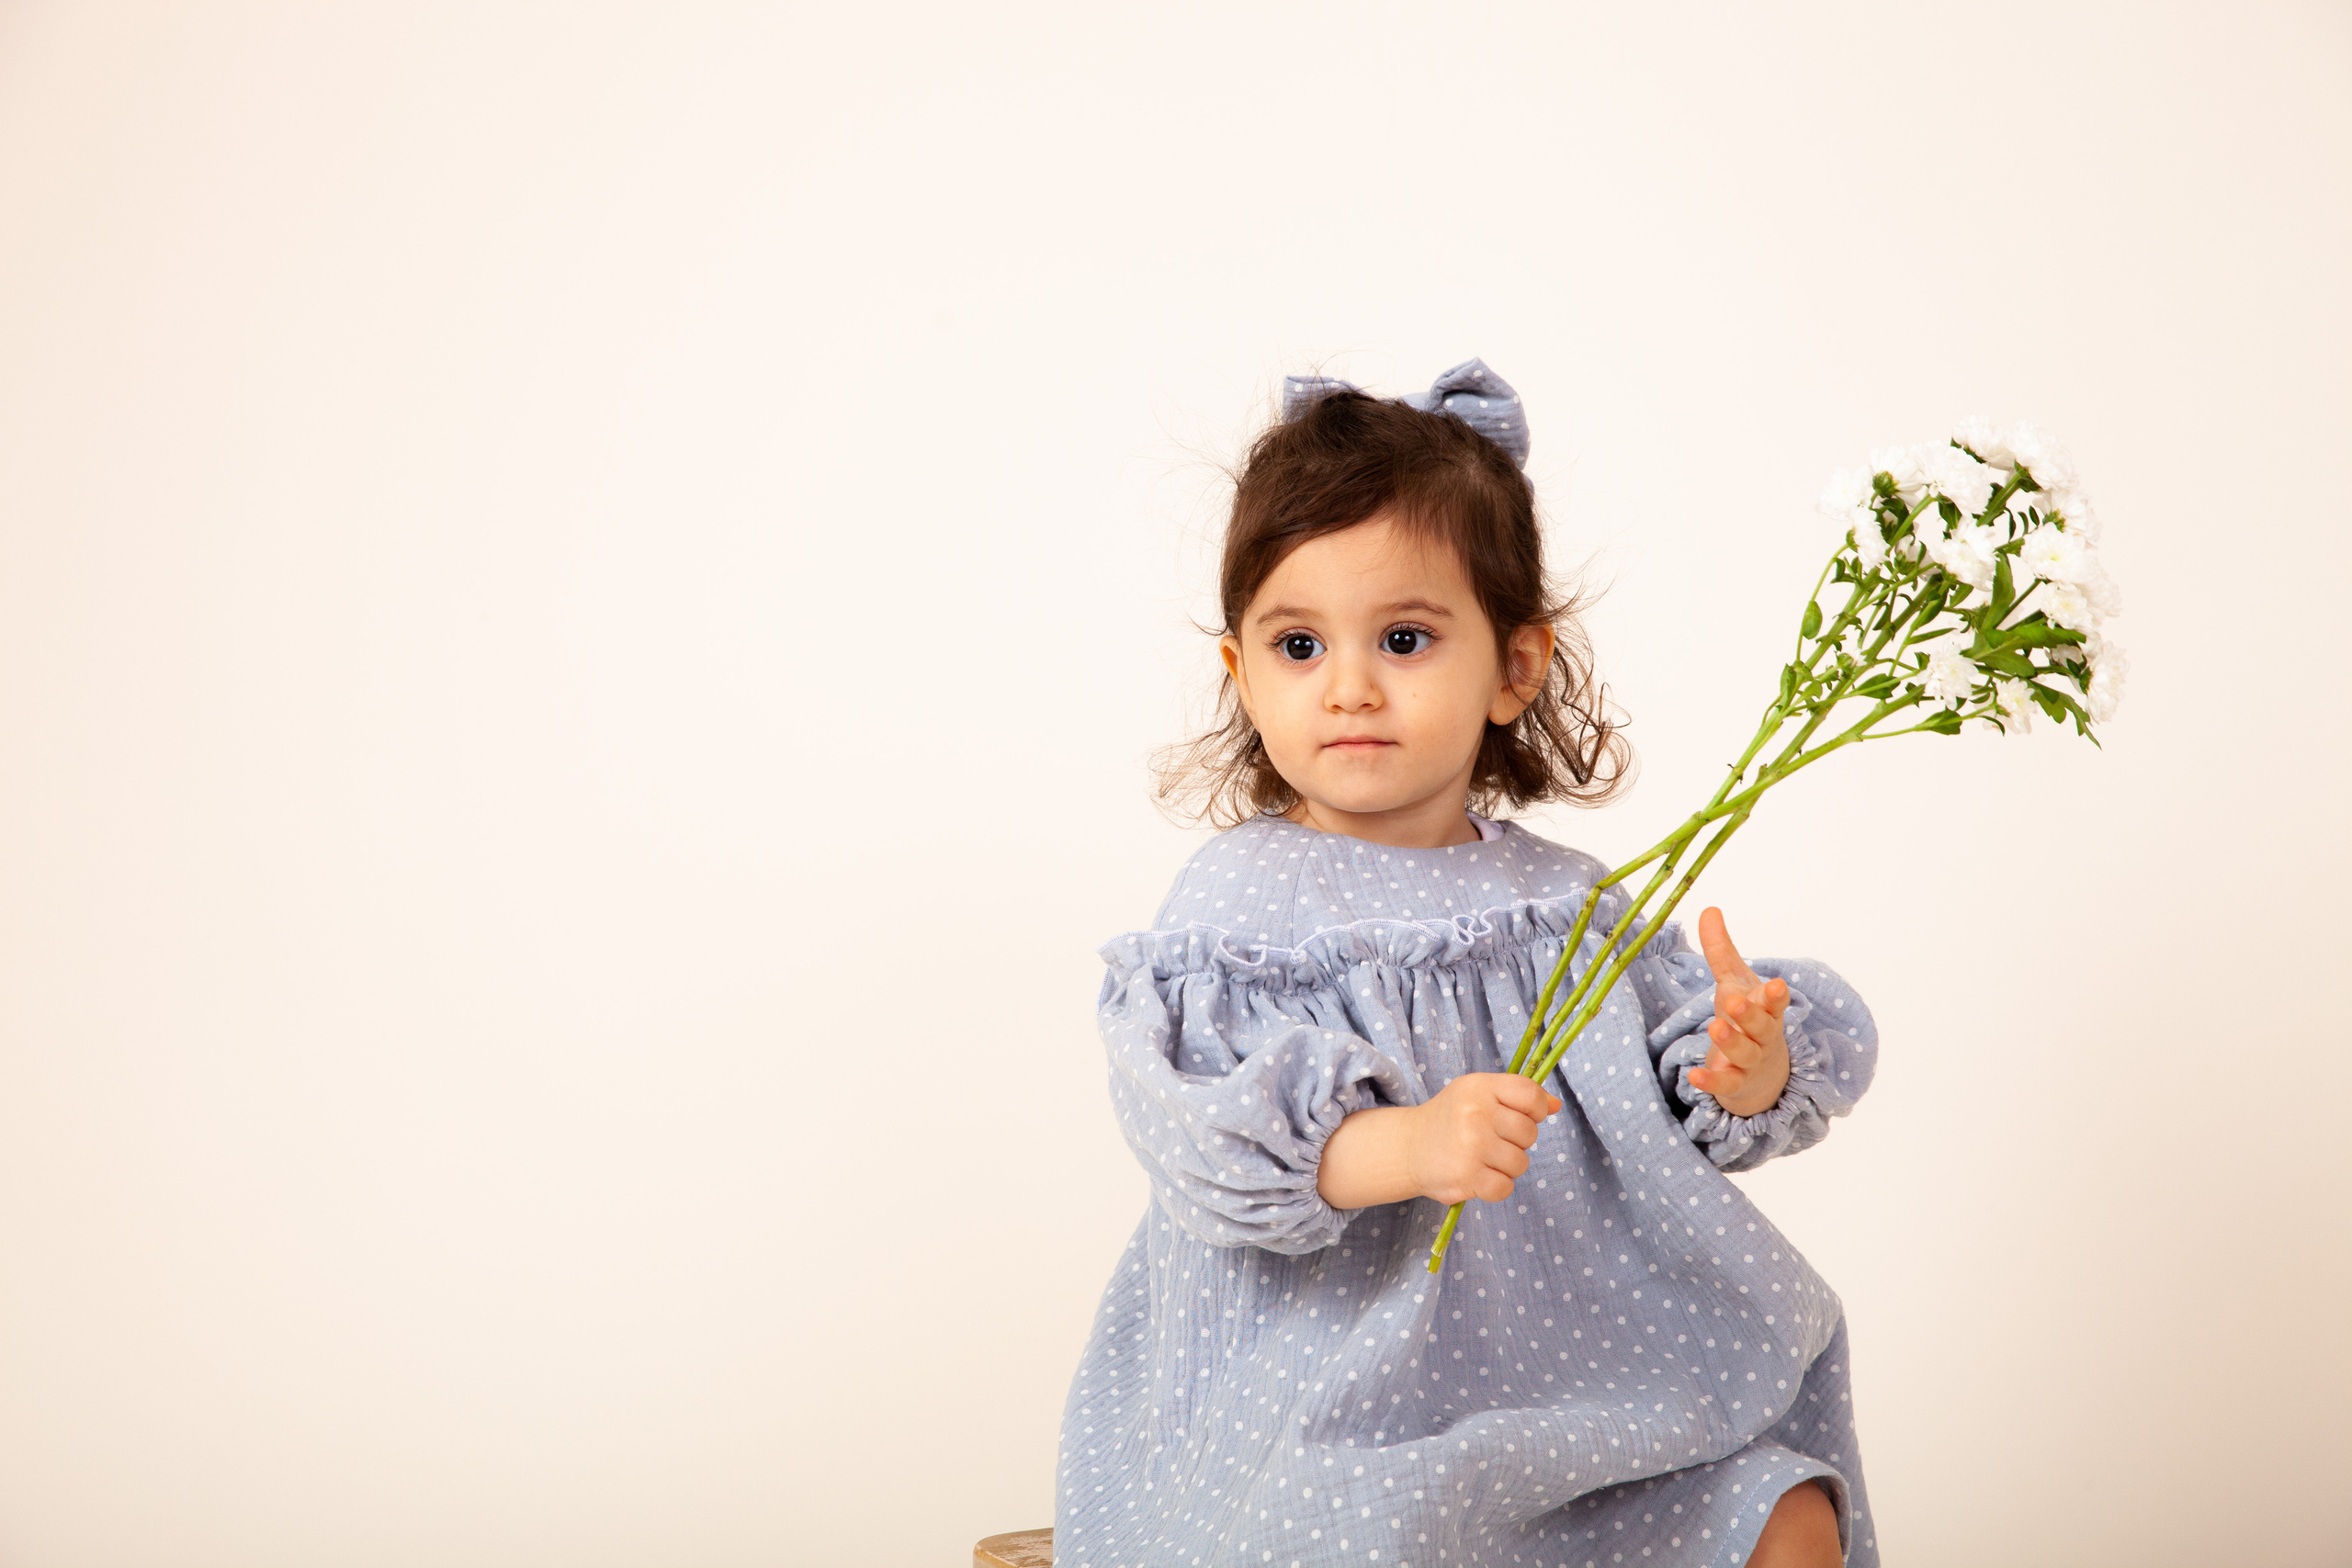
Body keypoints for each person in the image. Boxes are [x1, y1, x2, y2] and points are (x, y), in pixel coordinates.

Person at [1056, 362, 1876, 1568]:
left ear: (1514, 669)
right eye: (1296, 644)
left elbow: (1677, 1093)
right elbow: (1193, 1133)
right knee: (1375, 1535)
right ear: (1238, 672)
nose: (1349, 686)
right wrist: (1400, 1147)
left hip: (1588, 1402)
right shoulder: (1243, 907)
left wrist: (1737, 1064)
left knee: (1784, 1517)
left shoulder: (1563, 906)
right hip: (1324, 1407)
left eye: (1404, 638)